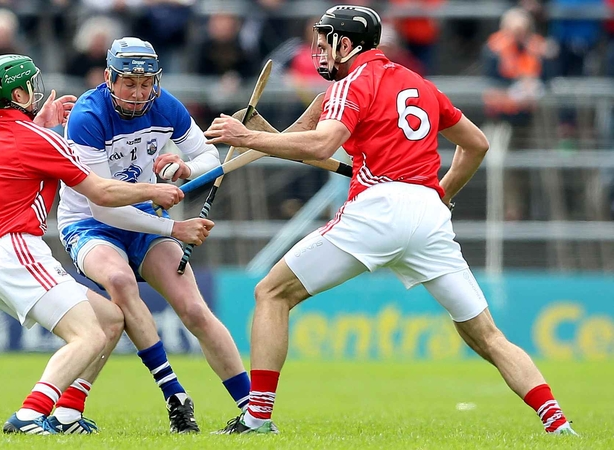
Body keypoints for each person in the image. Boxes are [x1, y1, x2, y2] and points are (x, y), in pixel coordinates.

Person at [205, 5, 578, 436]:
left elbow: (322, 145)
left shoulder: (350, 83)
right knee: (487, 336)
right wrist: (444, 193)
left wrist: (244, 136)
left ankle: (257, 418)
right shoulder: (416, 82)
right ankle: (557, 424)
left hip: (378, 210)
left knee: (271, 292)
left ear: (347, 44)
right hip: (428, 216)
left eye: (325, 43)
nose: (319, 52)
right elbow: (475, 144)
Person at [0, 54, 186, 435]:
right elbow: (99, 190)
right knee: (88, 336)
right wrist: (154, 190)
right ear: (17, 93)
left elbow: (18, 152)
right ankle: (30, 415)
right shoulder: (38, 139)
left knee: (111, 318)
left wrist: (42, 126)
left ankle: (68, 415)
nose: (36, 92)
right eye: (29, 87)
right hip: (18, 251)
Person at [57, 37, 249, 433]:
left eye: (146, 84)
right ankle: (174, 393)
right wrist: (174, 227)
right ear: (109, 77)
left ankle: (254, 413)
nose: (138, 93)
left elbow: (208, 155)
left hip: (144, 216)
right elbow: (104, 204)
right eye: (129, 83)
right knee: (119, 281)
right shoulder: (87, 117)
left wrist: (183, 168)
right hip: (88, 222)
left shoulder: (165, 106)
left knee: (194, 310)